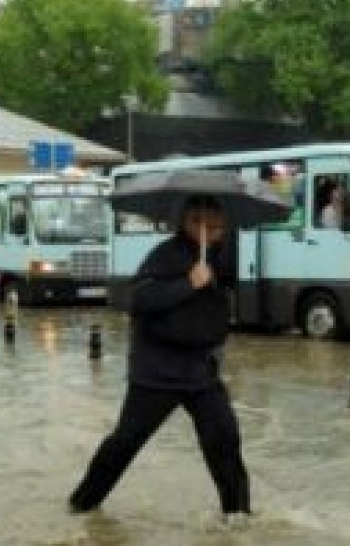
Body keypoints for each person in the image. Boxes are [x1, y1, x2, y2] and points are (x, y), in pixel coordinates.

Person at [68, 196, 251, 519]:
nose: (214, 232)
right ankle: (82, 504)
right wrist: (188, 284)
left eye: (219, 226)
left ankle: (238, 517)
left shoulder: (222, 258)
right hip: (157, 371)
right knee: (126, 441)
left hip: (201, 370)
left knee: (224, 440)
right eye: (206, 225)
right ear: (188, 224)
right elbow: (137, 299)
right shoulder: (164, 255)